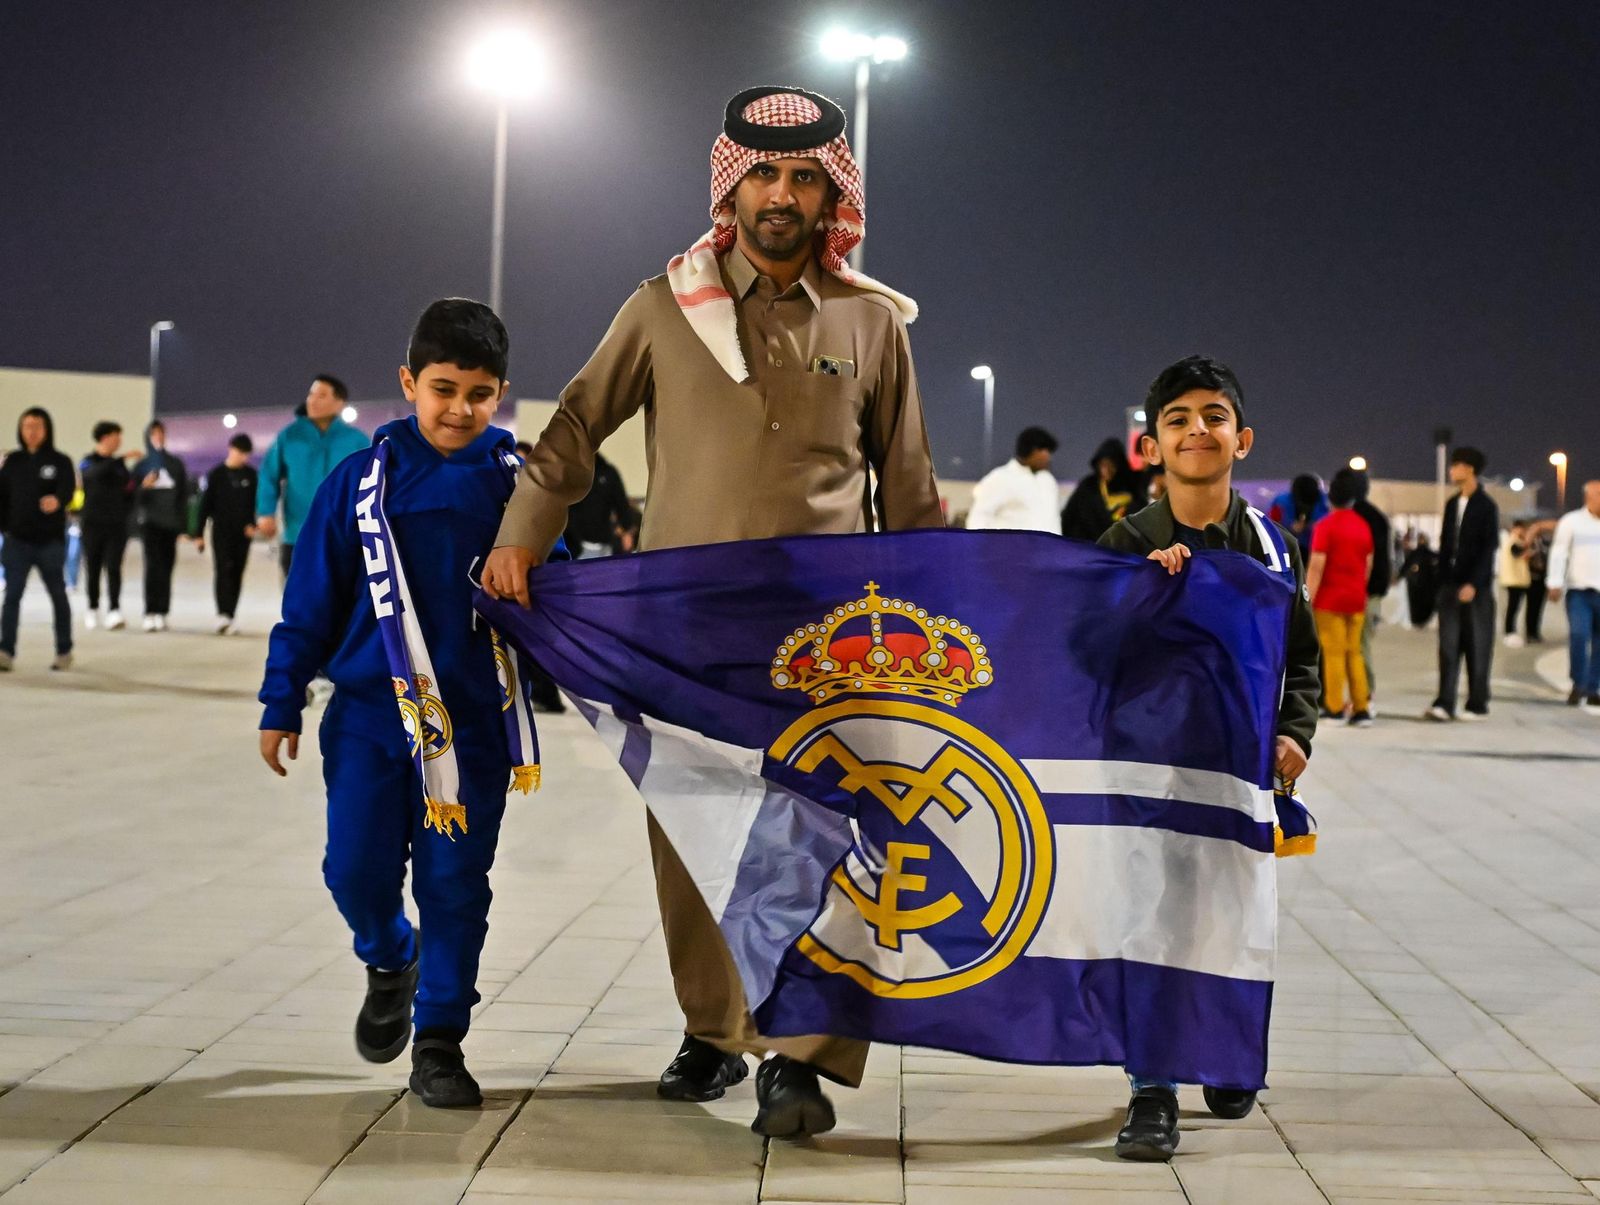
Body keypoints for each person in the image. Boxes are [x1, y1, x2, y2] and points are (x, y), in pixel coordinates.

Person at [481, 86, 943, 1137]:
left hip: (826, 636)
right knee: (692, 830)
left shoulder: (871, 321)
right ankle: (714, 1026)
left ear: (834, 194)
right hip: (683, 627)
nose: (782, 196)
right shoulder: (661, 307)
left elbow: (908, 486)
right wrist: (520, 535)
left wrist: (938, 610)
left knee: (827, 831)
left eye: (804, 178)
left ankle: (802, 1057)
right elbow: (573, 431)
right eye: (764, 176)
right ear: (732, 185)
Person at [259, 298, 536, 1109]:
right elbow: (309, 602)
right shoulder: (359, 481)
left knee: (456, 884)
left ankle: (440, 1040)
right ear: (409, 382)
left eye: (479, 393)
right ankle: (389, 955)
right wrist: (282, 700)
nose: (459, 409)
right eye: (443, 387)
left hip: (474, 729)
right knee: (355, 871)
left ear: (501, 394)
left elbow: (561, 597)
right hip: (370, 720)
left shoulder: (519, 487)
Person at [1098, 354, 1319, 1161]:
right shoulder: (1123, 543)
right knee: (1152, 918)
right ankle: (1151, 1087)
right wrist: (1138, 599)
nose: (1199, 429)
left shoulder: (1273, 547)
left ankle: (1225, 1055)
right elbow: (1084, 657)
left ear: (1243, 437)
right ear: (1150, 444)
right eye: (1179, 418)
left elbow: (1304, 656)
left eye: (1214, 416)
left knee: (1232, 914)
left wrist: (1296, 731)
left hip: (1239, 771)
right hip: (1148, 774)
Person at [256, 374, 370, 580]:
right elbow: (268, 474)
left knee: (342, 603)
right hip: (298, 535)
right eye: (311, 394)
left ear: (339, 403)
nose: (312, 400)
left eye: (321, 395)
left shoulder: (357, 441)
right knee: (298, 603)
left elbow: (374, 483)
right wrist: (266, 512)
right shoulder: (289, 436)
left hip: (344, 537)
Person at [0, 407, 77, 671]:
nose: (31, 431)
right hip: (17, 542)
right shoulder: (12, 461)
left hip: (49, 542)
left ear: (47, 429)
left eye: (37, 426)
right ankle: (5, 650)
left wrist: (57, 500)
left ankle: (64, 650)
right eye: (26, 426)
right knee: (12, 597)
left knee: (58, 594)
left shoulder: (60, 461)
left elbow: (68, 490)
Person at [1426, 447, 1498, 721]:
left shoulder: (1486, 506)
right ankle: (1445, 702)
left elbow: (1488, 548)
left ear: (1469, 469)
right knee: (1448, 645)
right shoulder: (1452, 503)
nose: (1451, 470)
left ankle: (1477, 702)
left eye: (1455, 465)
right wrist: (1440, 581)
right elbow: (1446, 545)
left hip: (1475, 589)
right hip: (1449, 586)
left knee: (1478, 645)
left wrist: (1475, 584)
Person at [1307, 469, 1375, 725]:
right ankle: (1361, 708)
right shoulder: (1363, 526)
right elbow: (1368, 564)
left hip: (1330, 600)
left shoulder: (1325, 527)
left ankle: (1334, 707)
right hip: (1356, 599)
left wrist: (1306, 597)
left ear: (1330, 499)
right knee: (1354, 652)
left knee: (1333, 654)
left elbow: (1316, 566)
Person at [130, 420, 191, 632]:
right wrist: (143, 487)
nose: (159, 437)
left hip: (170, 523)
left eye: (161, 433)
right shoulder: (142, 465)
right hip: (150, 523)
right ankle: (150, 610)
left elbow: (183, 496)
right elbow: (132, 496)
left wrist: (184, 527)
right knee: (152, 566)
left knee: (167, 566)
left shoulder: (175, 464)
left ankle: (163, 610)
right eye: (154, 433)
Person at [196, 434, 259, 634]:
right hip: (221, 531)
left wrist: (253, 524)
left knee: (237, 572)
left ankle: (231, 614)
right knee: (223, 570)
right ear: (231, 449)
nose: (243, 458)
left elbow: (256, 503)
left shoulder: (251, 475)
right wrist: (198, 534)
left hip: (244, 533)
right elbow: (204, 505)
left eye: (246, 454)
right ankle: (222, 613)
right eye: (240, 453)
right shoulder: (216, 475)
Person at [78, 420, 138, 630]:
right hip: (92, 523)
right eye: (116, 436)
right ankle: (92, 608)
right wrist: (120, 459)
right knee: (93, 567)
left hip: (116, 525)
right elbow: (92, 475)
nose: (119, 441)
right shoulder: (88, 461)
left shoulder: (120, 466)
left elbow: (129, 490)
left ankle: (114, 609)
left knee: (113, 567)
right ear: (105, 438)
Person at [1546, 480, 1600, 710]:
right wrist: (1554, 582)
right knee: (1579, 635)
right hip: (1579, 591)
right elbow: (1559, 553)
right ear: (1588, 497)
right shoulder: (1571, 522)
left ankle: (1592, 687)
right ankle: (1578, 682)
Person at [966, 427, 1061, 533]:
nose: (1048, 457)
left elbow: (1054, 519)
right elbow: (979, 517)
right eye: (1045, 451)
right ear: (1033, 450)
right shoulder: (1001, 478)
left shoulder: (1048, 480)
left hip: (1049, 548)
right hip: (1011, 548)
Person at [1350, 472, 1391, 703]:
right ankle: (1363, 697)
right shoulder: (1378, 516)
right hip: (1373, 591)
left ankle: (1361, 698)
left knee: (1355, 645)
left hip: (1358, 590)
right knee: (1361, 645)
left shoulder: (1353, 517)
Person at [1061, 437, 1140, 541]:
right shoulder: (1088, 486)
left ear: (1119, 465)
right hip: (1090, 548)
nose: (1106, 470)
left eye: (1111, 465)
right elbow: (1069, 518)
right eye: (1103, 465)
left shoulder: (1133, 486)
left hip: (1123, 549)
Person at [564, 451, 640, 558]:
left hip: (604, 541)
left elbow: (621, 504)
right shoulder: (570, 475)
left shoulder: (608, 473)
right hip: (575, 543)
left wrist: (627, 530)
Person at [1268, 474, 1328, 557]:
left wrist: (1320, 527)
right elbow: (1271, 526)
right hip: (1288, 549)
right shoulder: (1280, 503)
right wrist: (1289, 527)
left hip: (1319, 548)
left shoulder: (1326, 502)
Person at [1499, 520, 1533, 649]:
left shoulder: (1514, 541)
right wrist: (1527, 547)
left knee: (1514, 607)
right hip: (1514, 580)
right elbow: (1518, 553)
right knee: (1512, 607)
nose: (1522, 532)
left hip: (1517, 580)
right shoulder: (1513, 541)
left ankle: (1510, 631)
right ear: (1514, 529)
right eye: (1520, 529)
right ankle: (1509, 632)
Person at [1524, 519, 1553, 642]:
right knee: (1531, 605)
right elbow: (1519, 553)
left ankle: (1536, 631)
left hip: (1543, 577)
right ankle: (1529, 632)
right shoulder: (1528, 543)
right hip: (1532, 577)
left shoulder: (1545, 543)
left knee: (1539, 606)